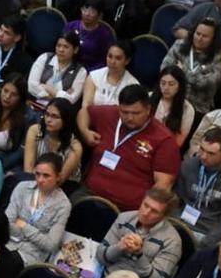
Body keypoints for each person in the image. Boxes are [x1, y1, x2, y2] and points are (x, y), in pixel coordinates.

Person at [78, 85, 181, 213]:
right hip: (89, 194)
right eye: (124, 112)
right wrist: (85, 131)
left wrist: (144, 213)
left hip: (127, 209)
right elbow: (84, 112)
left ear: (148, 109)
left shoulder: (164, 139)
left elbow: (163, 185)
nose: (129, 118)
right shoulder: (110, 114)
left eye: (136, 113)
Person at [97, 186, 183, 278]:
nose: (146, 213)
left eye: (154, 211)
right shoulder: (124, 218)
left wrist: (139, 256)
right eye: (145, 205)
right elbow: (100, 256)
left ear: (164, 216)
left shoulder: (172, 241)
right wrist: (119, 247)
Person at [173, 127, 221, 246]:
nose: (203, 156)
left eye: (211, 153)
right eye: (202, 149)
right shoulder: (188, 166)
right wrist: (174, 225)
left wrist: (207, 242)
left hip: (208, 233)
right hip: (179, 224)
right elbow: (176, 199)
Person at [4, 153, 72, 264]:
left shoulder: (63, 205)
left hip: (30, 255)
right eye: (37, 174)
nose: (40, 180)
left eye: (46, 175)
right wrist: (37, 236)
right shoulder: (22, 188)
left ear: (58, 177)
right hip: (7, 243)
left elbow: (51, 245)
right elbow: (6, 222)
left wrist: (24, 226)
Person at [160, 18, 221, 115]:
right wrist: (196, 76)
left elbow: (209, 83)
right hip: (171, 99)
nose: (199, 38)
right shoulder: (179, 45)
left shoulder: (219, 56)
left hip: (198, 107)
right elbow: (164, 70)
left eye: (205, 36)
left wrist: (182, 72)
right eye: (198, 34)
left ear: (213, 39)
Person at [28, 31, 87, 108]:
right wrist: (61, 95)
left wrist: (47, 87)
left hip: (59, 112)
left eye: (66, 47)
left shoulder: (80, 71)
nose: (61, 49)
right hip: (34, 105)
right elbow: (31, 85)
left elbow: (71, 100)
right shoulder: (44, 58)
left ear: (75, 50)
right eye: (58, 45)